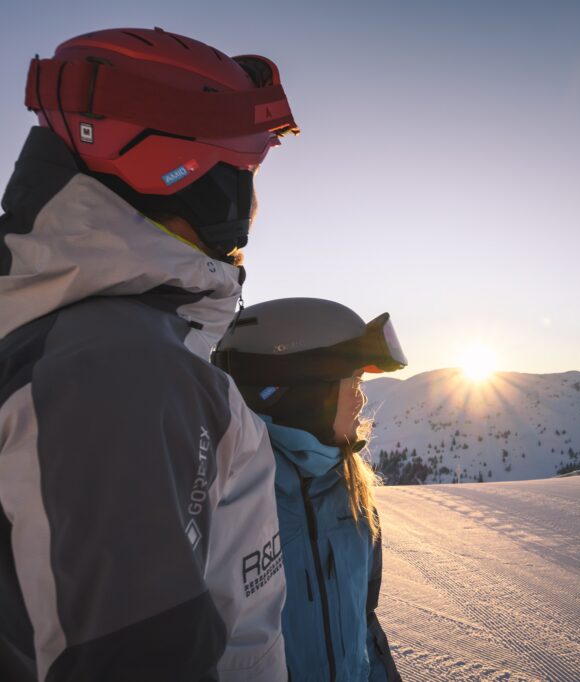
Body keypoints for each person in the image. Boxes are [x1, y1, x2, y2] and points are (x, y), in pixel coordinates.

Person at [0, 28, 298, 681]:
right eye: (240, 177)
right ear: (176, 174)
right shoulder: (120, 374)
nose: (248, 215)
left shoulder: (85, 343)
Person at [212, 298, 406, 682]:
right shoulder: (228, 498)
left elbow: (364, 623)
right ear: (299, 392)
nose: (361, 398)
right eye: (352, 381)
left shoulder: (350, 492)